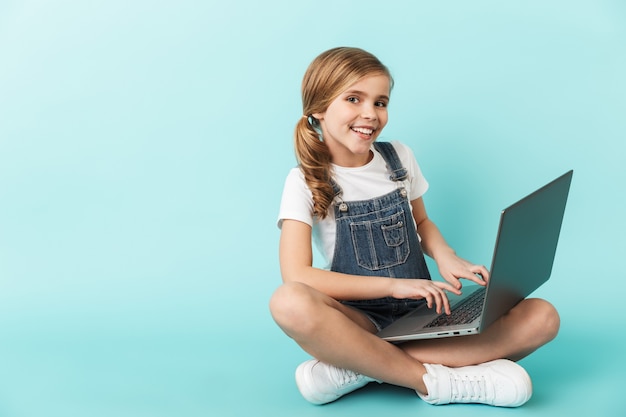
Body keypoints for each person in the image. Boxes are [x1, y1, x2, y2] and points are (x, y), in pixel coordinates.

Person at [269, 46, 559, 407]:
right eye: (354, 99)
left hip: (422, 315)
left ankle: (361, 363)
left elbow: (421, 222)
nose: (369, 113)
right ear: (318, 108)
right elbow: (297, 275)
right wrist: (393, 285)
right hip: (360, 320)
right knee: (289, 302)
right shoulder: (304, 180)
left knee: (543, 317)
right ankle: (438, 382)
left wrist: (447, 256)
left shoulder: (398, 158)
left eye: (380, 102)